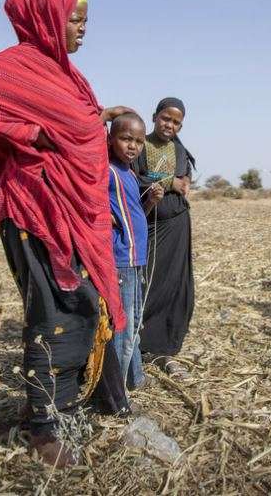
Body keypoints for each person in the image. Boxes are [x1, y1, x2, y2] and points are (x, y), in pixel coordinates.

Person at [0, 0, 132, 467]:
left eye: (86, 18)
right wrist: (29, 131)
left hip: (72, 212)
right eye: (75, 17)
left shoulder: (66, 75)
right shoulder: (18, 65)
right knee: (56, 314)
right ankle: (45, 432)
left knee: (80, 309)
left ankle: (55, 410)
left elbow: (79, 126)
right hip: (36, 211)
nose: (84, 27)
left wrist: (99, 115)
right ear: (48, 20)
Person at [136, 97, 196, 381]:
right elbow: (131, 179)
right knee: (147, 284)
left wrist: (175, 183)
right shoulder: (138, 144)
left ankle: (165, 350)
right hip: (147, 226)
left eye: (176, 122)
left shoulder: (180, 150)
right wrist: (169, 182)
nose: (169, 125)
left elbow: (186, 181)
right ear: (154, 116)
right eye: (165, 118)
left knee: (174, 286)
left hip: (177, 224)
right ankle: (135, 346)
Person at [107, 112, 162, 390]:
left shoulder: (129, 173)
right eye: (126, 138)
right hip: (121, 260)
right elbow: (89, 204)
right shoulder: (107, 171)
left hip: (136, 258)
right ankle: (116, 392)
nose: (133, 146)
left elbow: (136, 214)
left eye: (139, 141)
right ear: (109, 138)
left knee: (134, 324)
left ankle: (135, 378)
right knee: (123, 328)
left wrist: (150, 201)